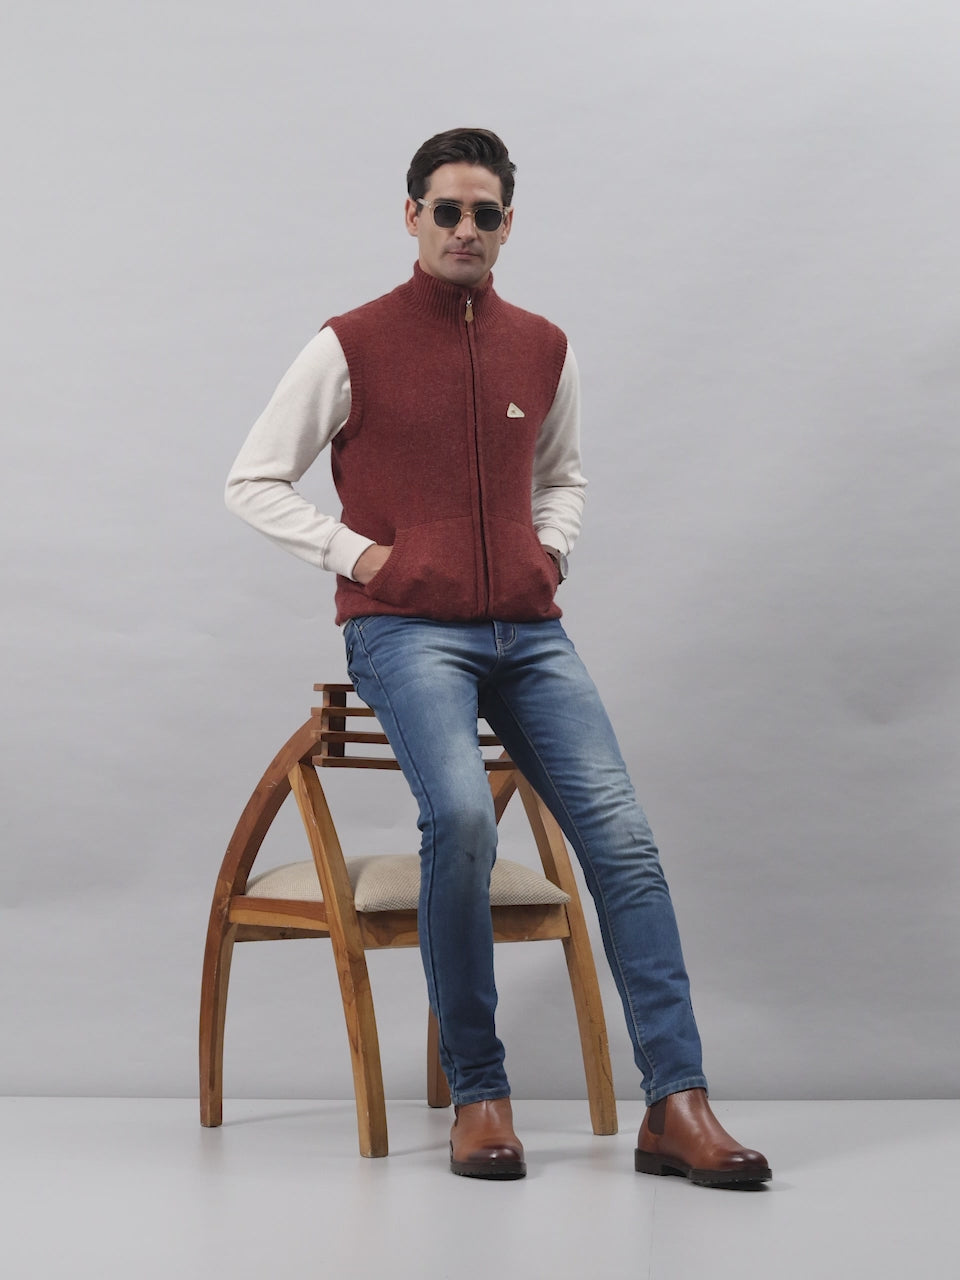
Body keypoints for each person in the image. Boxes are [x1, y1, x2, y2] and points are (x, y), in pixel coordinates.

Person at [225, 127, 771, 1187]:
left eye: (485, 213)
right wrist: (364, 556)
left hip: (530, 631)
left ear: (508, 224)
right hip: (404, 628)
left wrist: (548, 551)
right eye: (447, 210)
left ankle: (678, 1101)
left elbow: (563, 476)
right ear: (413, 216)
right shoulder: (350, 343)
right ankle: (480, 1092)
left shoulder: (543, 345)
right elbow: (252, 479)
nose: (465, 228)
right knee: (463, 818)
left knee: (625, 841)